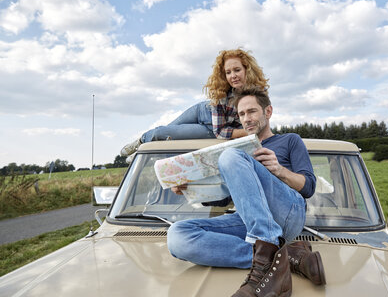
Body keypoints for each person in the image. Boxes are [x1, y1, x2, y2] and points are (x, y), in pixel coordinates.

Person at [167, 88, 326, 297]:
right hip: (249, 220)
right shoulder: (237, 150)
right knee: (177, 235)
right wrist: (190, 187)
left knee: (230, 155)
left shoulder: (289, 140)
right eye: (241, 114)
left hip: (288, 213)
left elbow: (309, 187)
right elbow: (225, 197)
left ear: (268, 112)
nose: (246, 119)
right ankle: (284, 257)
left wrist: (280, 171)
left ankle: (267, 252)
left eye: (251, 112)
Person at [120, 49, 269, 158]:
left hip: (212, 129)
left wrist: (251, 130)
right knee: (165, 130)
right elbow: (233, 131)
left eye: (237, 70)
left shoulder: (258, 94)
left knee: (163, 135)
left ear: (247, 70)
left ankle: (142, 150)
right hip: (202, 111)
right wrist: (248, 131)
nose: (233, 76)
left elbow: (222, 132)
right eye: (228, 72)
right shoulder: (221, 94)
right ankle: (141, 143)